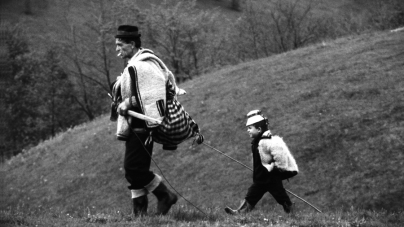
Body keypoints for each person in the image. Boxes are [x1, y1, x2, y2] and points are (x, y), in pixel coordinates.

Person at [110, 25, 181, 216]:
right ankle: (140, 216)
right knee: (133, 171)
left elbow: (153, 94)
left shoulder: (143, 65)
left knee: (134, 168)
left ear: (131, 44)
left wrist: (127, 103)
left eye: (119, 45)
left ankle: (165, 195)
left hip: (144, 125)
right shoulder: (135, 63)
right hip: (135, 125)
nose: (117, 49)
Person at [225, 110, 298, 215]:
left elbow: (278, 157)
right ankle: (240, 213)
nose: (248, 131)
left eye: (250, 128)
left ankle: (292, 212)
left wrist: (275, 168)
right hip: (261, 179)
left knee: (281, 197)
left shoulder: (266, 142)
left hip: (271, 178)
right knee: (251, 196)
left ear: (259, 129)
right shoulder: (256, 142)